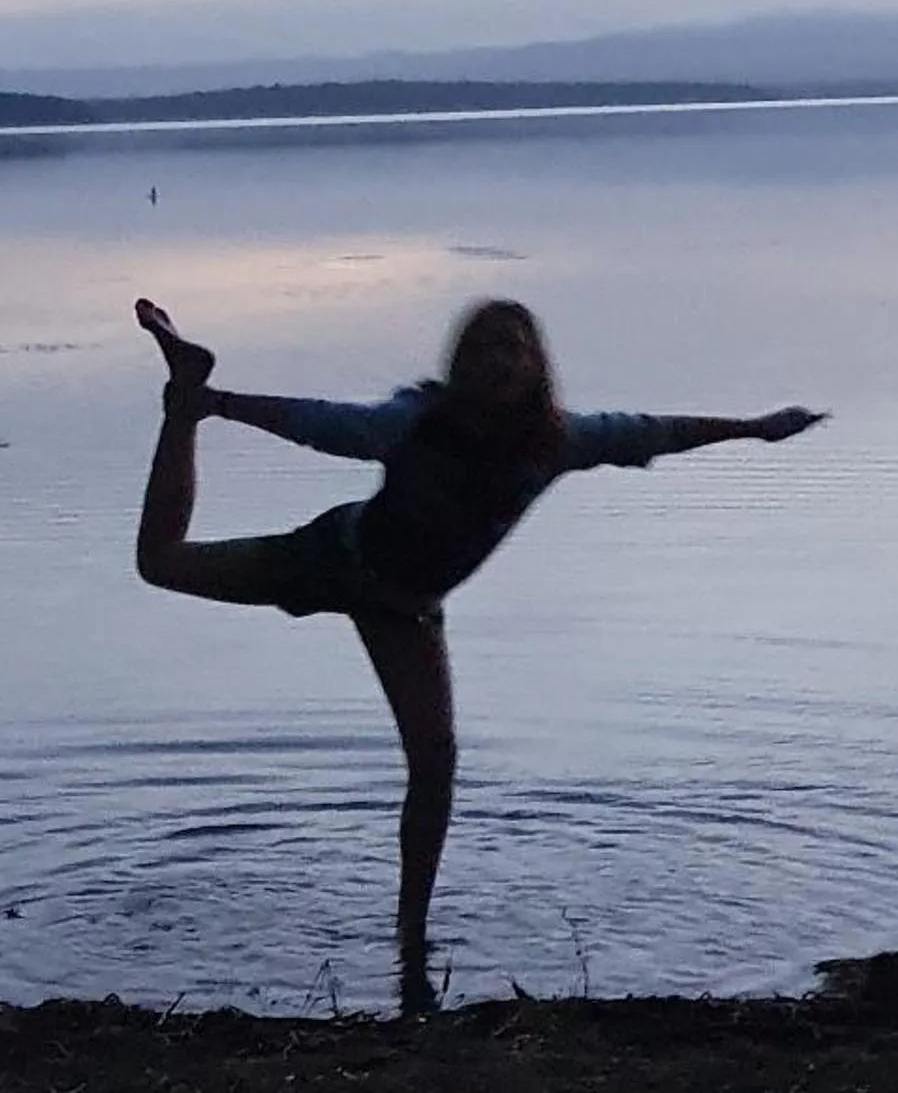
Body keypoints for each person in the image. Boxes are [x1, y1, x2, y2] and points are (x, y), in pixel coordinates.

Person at [130, 294, 824, 993]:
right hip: (332, 559)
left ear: (536, 366)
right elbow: (325, 424)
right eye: (484, 348)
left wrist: (753, 429)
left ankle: (411, 939)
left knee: (436, 763)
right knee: (161, 562)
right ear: (461, 363)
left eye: (513, 348)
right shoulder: (415, 422)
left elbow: (653, 432)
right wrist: (214, 405)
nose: (499, 361)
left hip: (407, 611)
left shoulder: (558, 442)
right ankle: (181, 406)